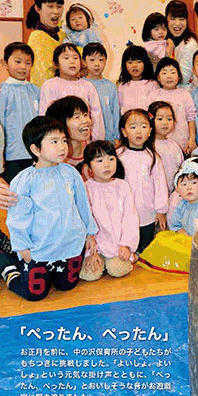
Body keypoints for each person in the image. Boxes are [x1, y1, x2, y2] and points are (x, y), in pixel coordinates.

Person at [0, 116, 97, 301]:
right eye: (54, 142)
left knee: (66, 286)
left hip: (70, 246)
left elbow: (83, 205)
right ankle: (9, 268)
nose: (62, 147)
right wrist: (23, 248)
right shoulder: (24, 180)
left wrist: (89, 233)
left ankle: (52, 274)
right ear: (36, 149)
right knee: (34, 294)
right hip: (39, 250)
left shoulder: (71, 173)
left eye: (64, 140)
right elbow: (17, 218)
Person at [79, 141, 140, 281]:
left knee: (117, 270)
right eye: (99, 161)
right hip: (95, 247)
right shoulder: (86, 189)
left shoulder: (122, 186)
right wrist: (91, 252)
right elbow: (84, 221)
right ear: (88, 166)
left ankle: (130, 255)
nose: (107, 165)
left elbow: (130, 218)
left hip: (118, 245)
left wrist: (126, 245)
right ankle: (98, 258)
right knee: (89, 274)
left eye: (111, 159)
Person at [116, 109, 168, 253]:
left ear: (150, 131)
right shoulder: (118, 156)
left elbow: (160, 185)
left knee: (145, 249)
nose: (139, 131)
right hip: (123, 214)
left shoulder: (152, 157)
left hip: (147, 214)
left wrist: (161, 211)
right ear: (124, 132)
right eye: (133, 127)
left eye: (144, 126)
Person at [39, 43, 105, 140]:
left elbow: (96, 115)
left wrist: (97, 140)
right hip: (60, 140)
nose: (72, 61)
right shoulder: (50, 86)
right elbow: (45, 116)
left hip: (84, 140)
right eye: (66, 58)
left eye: (75, 58)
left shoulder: (88, 86)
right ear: (56, 64)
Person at [0, 42, 39, 183]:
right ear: (4, 63)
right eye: (18, 61)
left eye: (28, 63)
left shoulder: (37, 91)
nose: (23, 67)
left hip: (36, 153)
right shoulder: (2, 91)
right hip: (11, 155)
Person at [148, 57, 197, 155]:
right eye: (164, 73)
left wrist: (192, 139)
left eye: (173, 72)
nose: (169, 76)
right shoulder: (153, 95)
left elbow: (191, 119)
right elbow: (148, 119)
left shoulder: (185, 94)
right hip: (159, 145)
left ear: (179, 76)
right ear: (158, 77)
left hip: (182, 144)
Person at [26, 0, 66, 87]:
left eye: (59, 7)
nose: (56, 11)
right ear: (38, 9)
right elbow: (42, 76)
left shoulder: (62, 35)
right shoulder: (37, 36)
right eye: (50, 6)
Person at [83, 42, 120, 144]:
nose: (97, 64)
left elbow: (115, 112)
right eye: (92, 60)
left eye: (101, 60)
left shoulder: (110, 86)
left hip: (108, 138)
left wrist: (117, 136)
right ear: (84, 62)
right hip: (87, 139)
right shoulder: (81, 85)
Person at [45, 96, 92, 169]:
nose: (85, 121)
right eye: (77, 117)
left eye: (85, 115)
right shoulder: (52, 162)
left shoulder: (95, 152)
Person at [148, 100, 184, 193]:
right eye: (160, 119)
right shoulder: (148, 147)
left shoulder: (174, 146)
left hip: (174, 193)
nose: (165, 123)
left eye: (169, 119)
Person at [165, 0, 198, 89]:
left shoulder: (190, 44)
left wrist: (166, 57)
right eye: (173, 19)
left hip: (185, 93)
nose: (177, 24)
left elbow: (184, 78)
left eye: (182, 19)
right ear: (166, 19)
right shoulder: (162, 41)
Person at [117, 44, 158, 114]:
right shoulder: (122, 86)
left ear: (145, 64)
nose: (134, 66)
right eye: (130, 62)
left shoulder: (152, 84)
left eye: (139, 62)